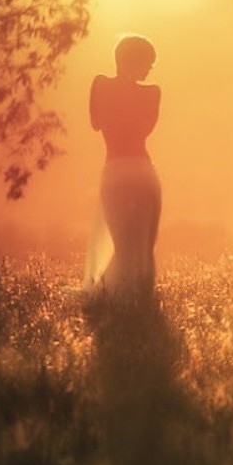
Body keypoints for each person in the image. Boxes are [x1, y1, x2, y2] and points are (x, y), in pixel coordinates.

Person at [83, 34, 162, 302]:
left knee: (124, 244)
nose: (151, 68)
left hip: (116, 170)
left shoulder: (101, 86)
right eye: (148, 62)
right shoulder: (152, 93)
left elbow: (95, 123)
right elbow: (144, 129)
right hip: (144, 171)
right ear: (136, 61)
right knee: (143, 248)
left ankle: (118, 298)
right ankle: (137, 300)